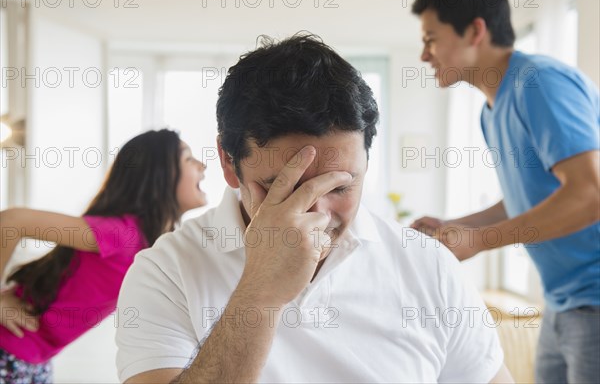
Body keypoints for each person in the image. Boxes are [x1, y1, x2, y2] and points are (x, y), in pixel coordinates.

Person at [115, 34, 512, 383]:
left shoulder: (429, 267)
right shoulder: (165, 272)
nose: (316, 214)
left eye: (340, 185)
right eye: (282, 187)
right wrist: (260, 294)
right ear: (227, 161)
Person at [409, 0, 600, 383]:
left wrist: (479, 241)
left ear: (475, 31)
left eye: (431, 40)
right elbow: (521, 200)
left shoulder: (539, 83)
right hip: (563, 301)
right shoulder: (491, 110)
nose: (424, 55)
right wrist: (456, 227)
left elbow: (589, 193)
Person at [0, 129, 207, 383]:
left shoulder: (152, 246)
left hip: (35, 359)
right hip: (10, 351)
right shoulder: (122, 234)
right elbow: (11, 221)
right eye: (188, 159)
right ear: (159, 176)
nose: (202, 164)